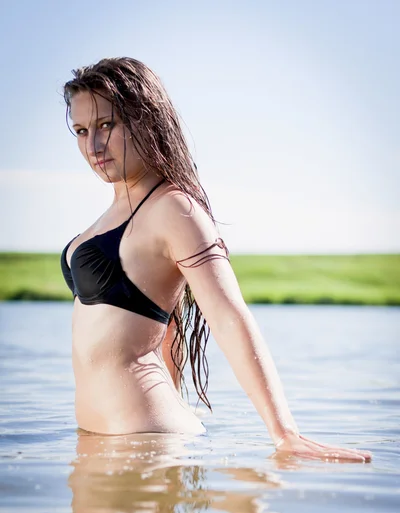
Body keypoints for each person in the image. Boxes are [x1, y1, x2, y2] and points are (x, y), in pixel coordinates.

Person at [60, 57, 371, 462]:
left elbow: (229, 315)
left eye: (106, 125)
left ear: (146, 119)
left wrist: (285, 433)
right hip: (105, 444)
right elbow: (161, 320)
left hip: (142, 443)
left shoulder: (174, 208)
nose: (92, 146)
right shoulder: (114, 213)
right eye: (82, 131)